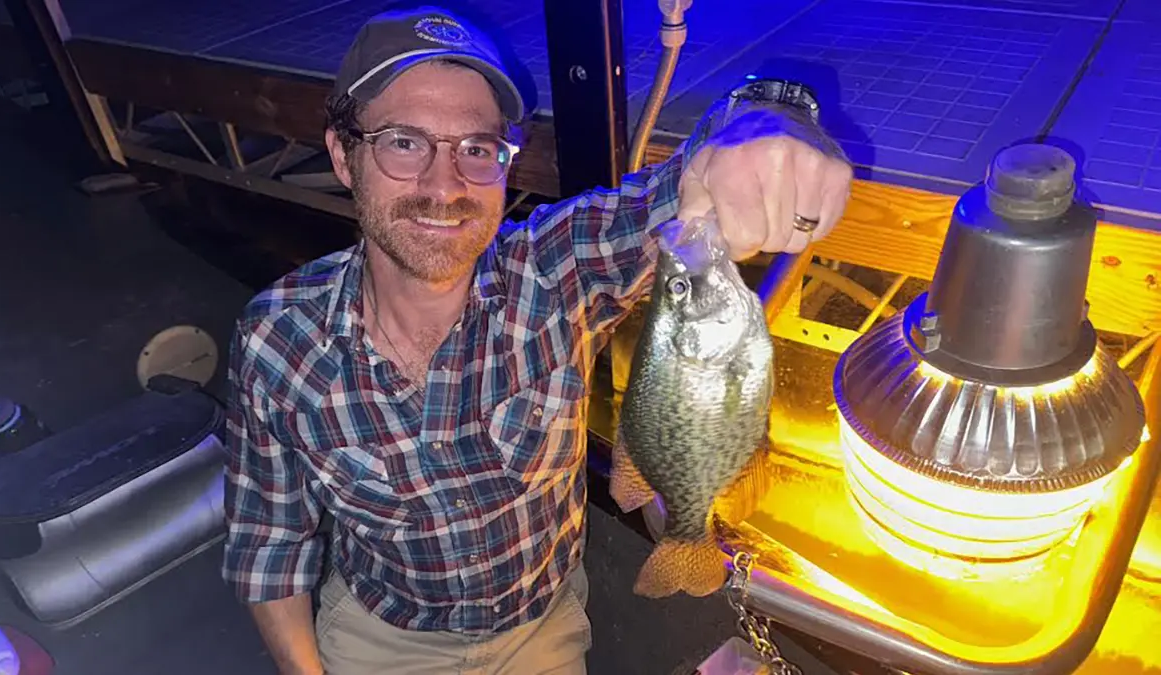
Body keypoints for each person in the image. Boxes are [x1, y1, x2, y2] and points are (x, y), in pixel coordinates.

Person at [221, 5, 853, 675]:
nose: (445, 184)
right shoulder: (277, 341)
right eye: (404, 142)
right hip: (382, 637)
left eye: (476, 148)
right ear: (343, 156)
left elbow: (678, 196)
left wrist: (768, 121)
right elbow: (270, 549)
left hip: (540, 631)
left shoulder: (554, 271)